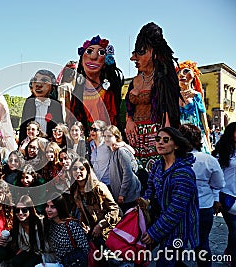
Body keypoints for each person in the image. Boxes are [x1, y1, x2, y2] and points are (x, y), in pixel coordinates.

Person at [125, 22, 181, 171]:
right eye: (135, 52)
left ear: (155, 54)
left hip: (157, 141)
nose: (134, 58)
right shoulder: (135, 81)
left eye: (141, 52)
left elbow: (169, 111)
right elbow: (128, 107)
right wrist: (129, 120)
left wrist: (166, 139)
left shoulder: (164, 79)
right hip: (135, 142)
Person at [139, 127, 199, 266]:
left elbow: (176, 210)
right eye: (158, 139)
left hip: (178, 229)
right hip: (159, 220)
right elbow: (150, 188)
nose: (160, 143)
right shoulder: (158, 165)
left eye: (166, 140)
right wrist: (145, 203)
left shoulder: (183, 173)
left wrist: (154, 232)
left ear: (176, 145)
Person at [180, 123, 225, 267]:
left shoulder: (173, 159)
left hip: (179, 208)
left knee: (177, 244)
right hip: (203, 206)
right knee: (202, 243)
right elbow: (219, 184)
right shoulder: (208, 160)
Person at [70, 34, 124, 136]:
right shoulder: (77, 91)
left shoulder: (109, 91)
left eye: (101, 53)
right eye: (89, 51)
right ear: (81, 61)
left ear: (105, 63)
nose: (93, 57)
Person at [69, 158, 121, 244]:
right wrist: (85, 226)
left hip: (109, 230)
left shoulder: (99, 187)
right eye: (74, 169)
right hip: (92, 233)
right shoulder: (75, 192)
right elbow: (83, 213)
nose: (78, 171)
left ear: (88, 170)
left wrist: (100, 226)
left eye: (81, 169)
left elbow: (115, 209)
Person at [212, 122, 236, 267]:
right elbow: (215, 177)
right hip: (227, 196)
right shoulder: (223, 152)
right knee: (234, 229)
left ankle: (229, 251)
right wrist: (216, 199)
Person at [19, 70, 64, 143]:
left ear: (52, 87)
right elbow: (23, 125)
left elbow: (59, 125)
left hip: (49, 143)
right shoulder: (29, 102)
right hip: (32, 142)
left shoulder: (56, 105)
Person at [177, 60, 212, 153]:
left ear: (193, 76)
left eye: (186, 71)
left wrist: (208, 143)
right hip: (180, 138)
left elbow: (204, 121)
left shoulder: (197, 95)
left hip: (196, 137)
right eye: (178, 72)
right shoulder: (173, 96)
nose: (181, 74)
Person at [104, 125, 141, 212]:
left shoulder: (121, 151)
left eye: (109, 136)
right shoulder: (113, 151)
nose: (106, 138)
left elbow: (128, 173)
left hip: (129, 197)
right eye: (104, 136)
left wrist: (122, 194)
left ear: (116, 137)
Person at [45, 193, 89, 265]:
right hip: (60, 263)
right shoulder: (51, 225)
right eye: (47, 206)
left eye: (53, 207)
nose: (48, 210)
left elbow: (85, 248)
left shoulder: (71, 225)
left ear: (60, 208)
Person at [11, 195, 47, 267]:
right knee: (15, 261)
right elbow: (25, 244)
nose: (20, 213)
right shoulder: (19, 224)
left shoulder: (41, 223)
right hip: (31, 251)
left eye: (24, 210)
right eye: (17, 210)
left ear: (30, 210)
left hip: (44, 254)